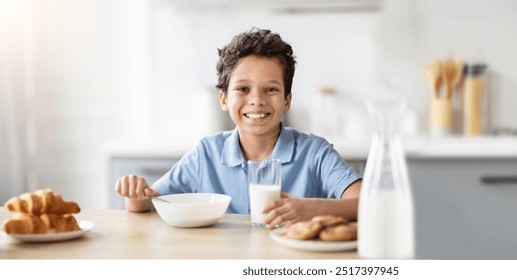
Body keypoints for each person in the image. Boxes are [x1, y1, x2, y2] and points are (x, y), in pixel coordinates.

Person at [114, 28, 361, 228]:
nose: (257, 100)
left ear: (287, 100)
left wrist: (313, 208)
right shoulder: (206, 153)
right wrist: (135, 195)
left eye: (271, 89)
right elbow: (151, 203)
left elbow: (369, 203)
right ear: (223, 99)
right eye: (243, 89)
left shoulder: (315, 153)